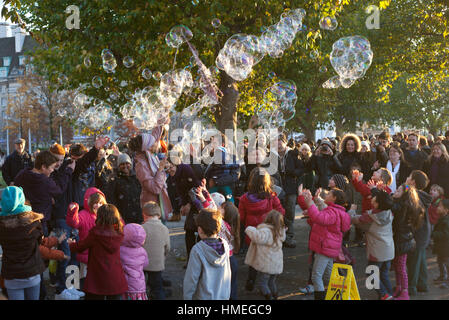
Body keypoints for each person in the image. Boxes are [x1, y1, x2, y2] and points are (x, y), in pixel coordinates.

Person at [49, 137, 109, 300]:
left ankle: (72, 286)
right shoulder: (57, 171)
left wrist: (95, 150)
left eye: (62, 160)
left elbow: (83, 165)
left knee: (74, 251)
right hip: (61, 215)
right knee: (66, 251)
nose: (61, 163)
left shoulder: (71, 169)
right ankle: (61, 289)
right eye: (58, 160)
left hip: (72, 213)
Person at [299, 187, 351, 300]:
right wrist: (316, 200)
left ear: (334, 198)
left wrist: (310, 203)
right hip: (330, 248)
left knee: (316, 276)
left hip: (325, 248)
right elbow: (323, 209)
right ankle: (342, 296)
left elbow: (319, 218)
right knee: (329, 276)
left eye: (328, 194)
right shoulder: (336, 211)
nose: (326, 195)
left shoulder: (333, 212)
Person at [238, 167, 285, 291]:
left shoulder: (244, 198)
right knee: (268, 256)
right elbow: (280, 212)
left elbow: (241, 217)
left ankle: (251, 280)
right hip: (269, 233)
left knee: (253, 256)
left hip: (253, 234)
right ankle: (268, 283)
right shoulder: (272, 197)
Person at [69, 204, 128, 300]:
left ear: (99, 217)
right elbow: (116, 224)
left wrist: (71, 244)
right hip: (114, 274)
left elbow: (81, 246)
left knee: (94, 296)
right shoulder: (119, 233)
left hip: (97, 274)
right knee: (114, 296)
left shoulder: (96, 234)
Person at [14, 150, 74, 237]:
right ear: (43, 167)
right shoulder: (45, 181)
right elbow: (59, 189)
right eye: (51, 168)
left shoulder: (22, 174)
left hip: (23, 219)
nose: (53, 170)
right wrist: (69, 171)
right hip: (40, 220)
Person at [0, 187, 45, 300]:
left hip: (12, 275)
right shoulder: (34, 223)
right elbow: (40, 241)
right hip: (32, 273)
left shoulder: (2, 226)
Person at [351, 190, 395, 300]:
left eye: (374, 200)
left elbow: (355, 220)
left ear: (379, 202)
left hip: (377, 251)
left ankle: (384, 295)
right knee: (383, 274)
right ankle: (389, 295)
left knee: (371, 274)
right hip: (388, 249)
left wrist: (352, 210)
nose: (372, 200)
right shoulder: (389, 212)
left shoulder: (371, 217)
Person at [128, 118, 173, 221]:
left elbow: (155, 137)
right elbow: (155, 188)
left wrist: (161, 122)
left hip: (158, 206)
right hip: (152, 209)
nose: (156, 143)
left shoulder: (149, 156)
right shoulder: (141, 165)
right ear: (147, 147)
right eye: (152, 143)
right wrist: (161, 170)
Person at [183, 209, 231, 300]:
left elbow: (191, 278)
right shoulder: (225, 245)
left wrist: (187, 297)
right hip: (222, 295)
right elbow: (228, 272)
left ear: (200, 230)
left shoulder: (197, 250)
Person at [66, 188, 107, 285]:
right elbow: (74, 222)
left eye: (101, 203)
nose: (98, 205)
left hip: (99, 252)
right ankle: (80, 289)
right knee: (85, 275)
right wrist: (72, 212)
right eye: (95, 203)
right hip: (86, 252)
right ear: (88, 202)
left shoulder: (104, 215)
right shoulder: (84, 214)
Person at [391, 184, 424, 300]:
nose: (395, 191)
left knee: (401, 267)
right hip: (401, 241)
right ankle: (399, 288)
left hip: (402, 242)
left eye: (399, 191)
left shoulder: (403, 206)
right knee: (397, 266)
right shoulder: (403, 204)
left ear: (404, 195)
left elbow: (395, 213)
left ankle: (405, 292)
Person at [244, 210, 286, 300]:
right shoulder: (280, 232)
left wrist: (249, 228)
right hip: (276, 264)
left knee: (263, 283)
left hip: (266, 264)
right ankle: (275, 295)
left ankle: (269, 296)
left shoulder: (266, 231)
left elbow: (257, 237)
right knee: (271, 282)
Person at [405, 170, 432, 296]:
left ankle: (412, 286)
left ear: (413, 182)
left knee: (414, 261)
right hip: (424, 231)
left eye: (409, 177)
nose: (407, 178)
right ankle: (422, 284)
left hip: (418, 231)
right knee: (421, 259)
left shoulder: (414, 196)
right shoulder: (423, 195)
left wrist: (405, 186)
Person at [277, 133, 304, 248]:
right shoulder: (272, 155)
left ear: (285, 142)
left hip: (290, 186)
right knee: (278, 211)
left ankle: (289, 236)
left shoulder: (293, 153)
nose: (278, 144)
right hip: (278, 186)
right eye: (276, 142)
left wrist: (292, 173)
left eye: (280, 142)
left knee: (290, 211)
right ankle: (280, 236)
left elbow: (301, 169)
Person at [141, 202, 171, 300]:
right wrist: (163, 256)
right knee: (157, 288)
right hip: (157, 264)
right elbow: (168, 248)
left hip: (142, 263)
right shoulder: (164, 229)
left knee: (141, 285)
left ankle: (143, 294)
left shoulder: (142, 228)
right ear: (159, 215)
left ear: (144, 215)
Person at [106, 152, 142, 224]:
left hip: (138, 215)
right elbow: (111, 199)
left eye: (127, 163)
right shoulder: (114, 180)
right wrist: (117, 215)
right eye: (122, 164)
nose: (125, 166)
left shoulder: (136, 178)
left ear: (130, 164)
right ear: (118, 166)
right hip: (123, 216)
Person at [120, 223, 149, 300]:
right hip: (139, 285)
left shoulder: (120, 250)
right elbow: (145, 264)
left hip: (124, 285)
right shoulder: (142, 251)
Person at [222, 201, 240, 300]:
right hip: (232, 260)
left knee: (224, 287)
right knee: (233, 287)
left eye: (221, 208)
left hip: (225, 261)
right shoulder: (233, 227)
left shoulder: (223, 226)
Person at [431, 199, 449, 286]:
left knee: (445, 263)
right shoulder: (442, 219)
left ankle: (445, 278)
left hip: (445, 248)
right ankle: (442, 276)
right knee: (440, 261)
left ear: (446, 210)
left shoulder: (446, 221)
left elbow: (445, 234)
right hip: (441, 247)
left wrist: (434, 234)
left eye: (440, 206)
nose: (437, 207)